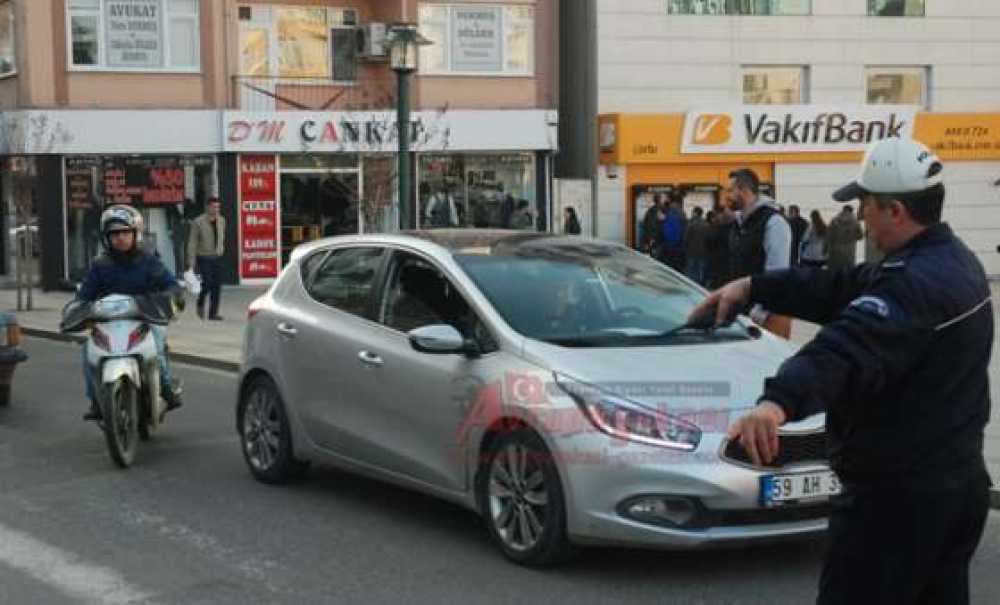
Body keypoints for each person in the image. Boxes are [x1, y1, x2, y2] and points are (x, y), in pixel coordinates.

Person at [692, 137, 992, 605]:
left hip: (895, 503)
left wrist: (776, 403)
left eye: (864, 205)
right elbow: (837, 286)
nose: (860, 218)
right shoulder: (952, 261)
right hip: (954, 486)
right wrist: (752, 285)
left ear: (894, 210)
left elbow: (844, 349)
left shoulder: (912, 286)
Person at [77, 205, 184, 420]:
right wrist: (78, 309)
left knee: (157, 344)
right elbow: (85, 295)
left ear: (136, 234)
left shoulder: (148, 261)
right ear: (107, 238)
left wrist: (170, 298)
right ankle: (95, 401)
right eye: (114, 234)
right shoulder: (100, 265)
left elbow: (171, 285)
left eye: (125, 232)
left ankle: (165, 388)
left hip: (144, 317)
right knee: (87, 350)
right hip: (108, 322)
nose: (120, 238)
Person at [725, 168, 793, 337]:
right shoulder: (738, 223)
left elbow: (777, 274)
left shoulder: (774, 222)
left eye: (730, 190)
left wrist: (759, 312)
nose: (726, 196)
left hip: (765, 316)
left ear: (744, 191)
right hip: (741, 313)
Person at [187, 197, 226, 321]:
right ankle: (200, 302)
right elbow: (192, 242)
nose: (216, 210)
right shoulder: (198, 222)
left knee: (217, 286)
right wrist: (191, 261)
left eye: (218, 207)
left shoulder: (222, 220)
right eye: (214, 207)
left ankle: (213, 313)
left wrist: (221, 249)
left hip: (217, 256)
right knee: (207, 283)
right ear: (208, 207)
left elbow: (221, 237)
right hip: (203, 257)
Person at [826, 204, 864, 270]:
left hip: (835, 251)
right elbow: (860, 236)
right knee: (848, 272)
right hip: (849, 251)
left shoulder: (834, 220)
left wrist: (825, 249)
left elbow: (828, 236)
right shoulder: (855, 222)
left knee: (834, 273)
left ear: (843, 210)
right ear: (851, 211)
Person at [684, 206, 710, 285]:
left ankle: (690, 285)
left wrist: (685, 247)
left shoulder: (691, 224)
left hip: (692, 251)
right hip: (703, 251)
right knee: (700, 270)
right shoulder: (706, 224)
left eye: (693, 212)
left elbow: (686, 238)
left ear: (695, 213)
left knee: (690, 269)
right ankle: (699, 285)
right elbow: (709, 239)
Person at [660, 197, 687, 271]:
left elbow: (663, 230)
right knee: (678, 267)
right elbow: (684, 230)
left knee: (668, 266)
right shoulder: (682, 214)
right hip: (679, 246)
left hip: (668, 245)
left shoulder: (667, 215)